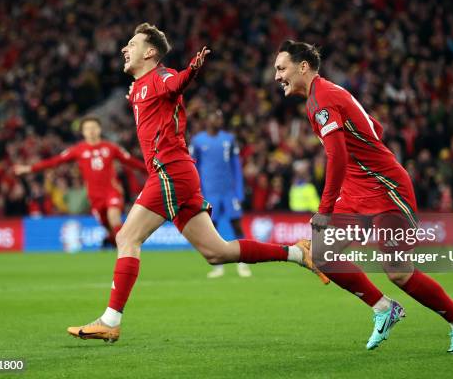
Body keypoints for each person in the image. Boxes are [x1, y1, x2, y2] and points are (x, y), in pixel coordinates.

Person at [67, 23, 329, 343]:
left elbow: (176, 83)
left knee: (126, 237)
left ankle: (110, 320)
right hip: (179, 176)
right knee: (217, 252)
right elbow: (150, 95)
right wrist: (136, 93)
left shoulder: (162, 77)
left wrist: (192, 68)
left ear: (150, 53)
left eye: (132, 44)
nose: (125, 49)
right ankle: (298, 254)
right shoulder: (138, 88)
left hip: (170, 172)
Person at [273, 39, 453, 353]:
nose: (277, 76)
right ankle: (384, 308)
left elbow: (338, 157)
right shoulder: (326, 93)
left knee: (398, 271)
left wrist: (325, 209)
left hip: (387, 190)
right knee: (321, 252)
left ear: (303, 67)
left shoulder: (322, 99)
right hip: (358, 189)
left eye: (281, 68)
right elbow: (375, 127)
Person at [14, 117, 146, 248]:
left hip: (112, 192)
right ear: (83, 132)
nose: (91, 131)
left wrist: (154, 170)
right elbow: (55, 161)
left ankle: (126, 251)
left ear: (99, 129)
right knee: (109, 227)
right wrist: (30, 168)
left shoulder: (111, 148)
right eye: (87, 128)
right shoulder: (78, 150)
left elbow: (132, 162)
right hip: (94, 197)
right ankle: (111, 240)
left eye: (94, 127)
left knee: (114, 219)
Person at [190, 109, 251, 278]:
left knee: (237, 226)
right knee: (212, 229)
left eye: (220, 117)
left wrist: (239, 192)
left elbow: (236, 167)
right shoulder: (198, 141)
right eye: (215, 117)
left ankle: (244, 263)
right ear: (207, 121)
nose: (218, 120)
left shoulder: (229, 140)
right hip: (209, 192)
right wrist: (197, 192)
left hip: (228, 192)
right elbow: (193, 167)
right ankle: (218, 266)